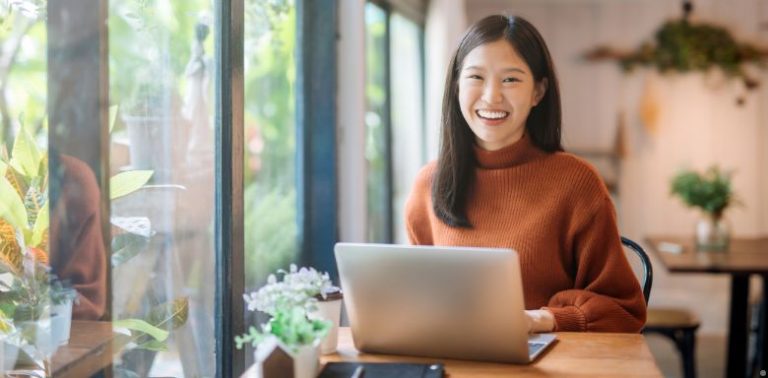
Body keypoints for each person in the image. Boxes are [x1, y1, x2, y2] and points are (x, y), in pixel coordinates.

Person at [405, 15, 646, 333]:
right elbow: (415, 296)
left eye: (511, 80)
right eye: (476, 77)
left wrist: (543, 319)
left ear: (538, 92)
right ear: (456, 87)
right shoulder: (429, 183)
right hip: (451, 356)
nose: (491, 96)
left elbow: (625, 311)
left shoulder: (576, 183)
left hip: (547, 362)